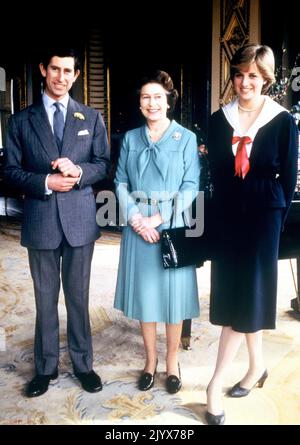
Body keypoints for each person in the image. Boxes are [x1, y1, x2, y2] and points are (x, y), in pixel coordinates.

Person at [4, 46, 110, 397]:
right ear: (42, 70)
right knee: (45, 299)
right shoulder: (20, 120)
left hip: (80, 221)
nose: (61, 77)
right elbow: (9, 172)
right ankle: (45, 368)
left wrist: (78, 172)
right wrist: (45, 182)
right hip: (41, 221)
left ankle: (83, 365)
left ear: (76, 75)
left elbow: (102, 165)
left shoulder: (91, 118)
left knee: (78, 297)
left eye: (68, 71)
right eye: (54, 69)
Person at [205, 43, 298, 425]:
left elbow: (289, 179)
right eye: (240, 74)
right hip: (229, 216)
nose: (245, 82)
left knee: (242, 300)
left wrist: (272, 221)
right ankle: (257, 366)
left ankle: (214, 386)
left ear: (266, 80)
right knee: (238, 294)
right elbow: (214, 174)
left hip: (264, 217)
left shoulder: (282, 121)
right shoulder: (217, 119)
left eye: (254, 76)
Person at [114, 70, 200, 393]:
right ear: (139, 104)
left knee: (173, 300)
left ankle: (172, 361)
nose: (152, 103)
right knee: (147, 298)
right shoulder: (130, 139)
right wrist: (137, 218)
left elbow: (191, 186)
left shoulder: (186, 138)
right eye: (145, 97)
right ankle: (150, 360)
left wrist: (159, 218)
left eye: (158, 97)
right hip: (138, 229)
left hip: (171, 227)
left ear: (168, 102)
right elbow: (120, 182)